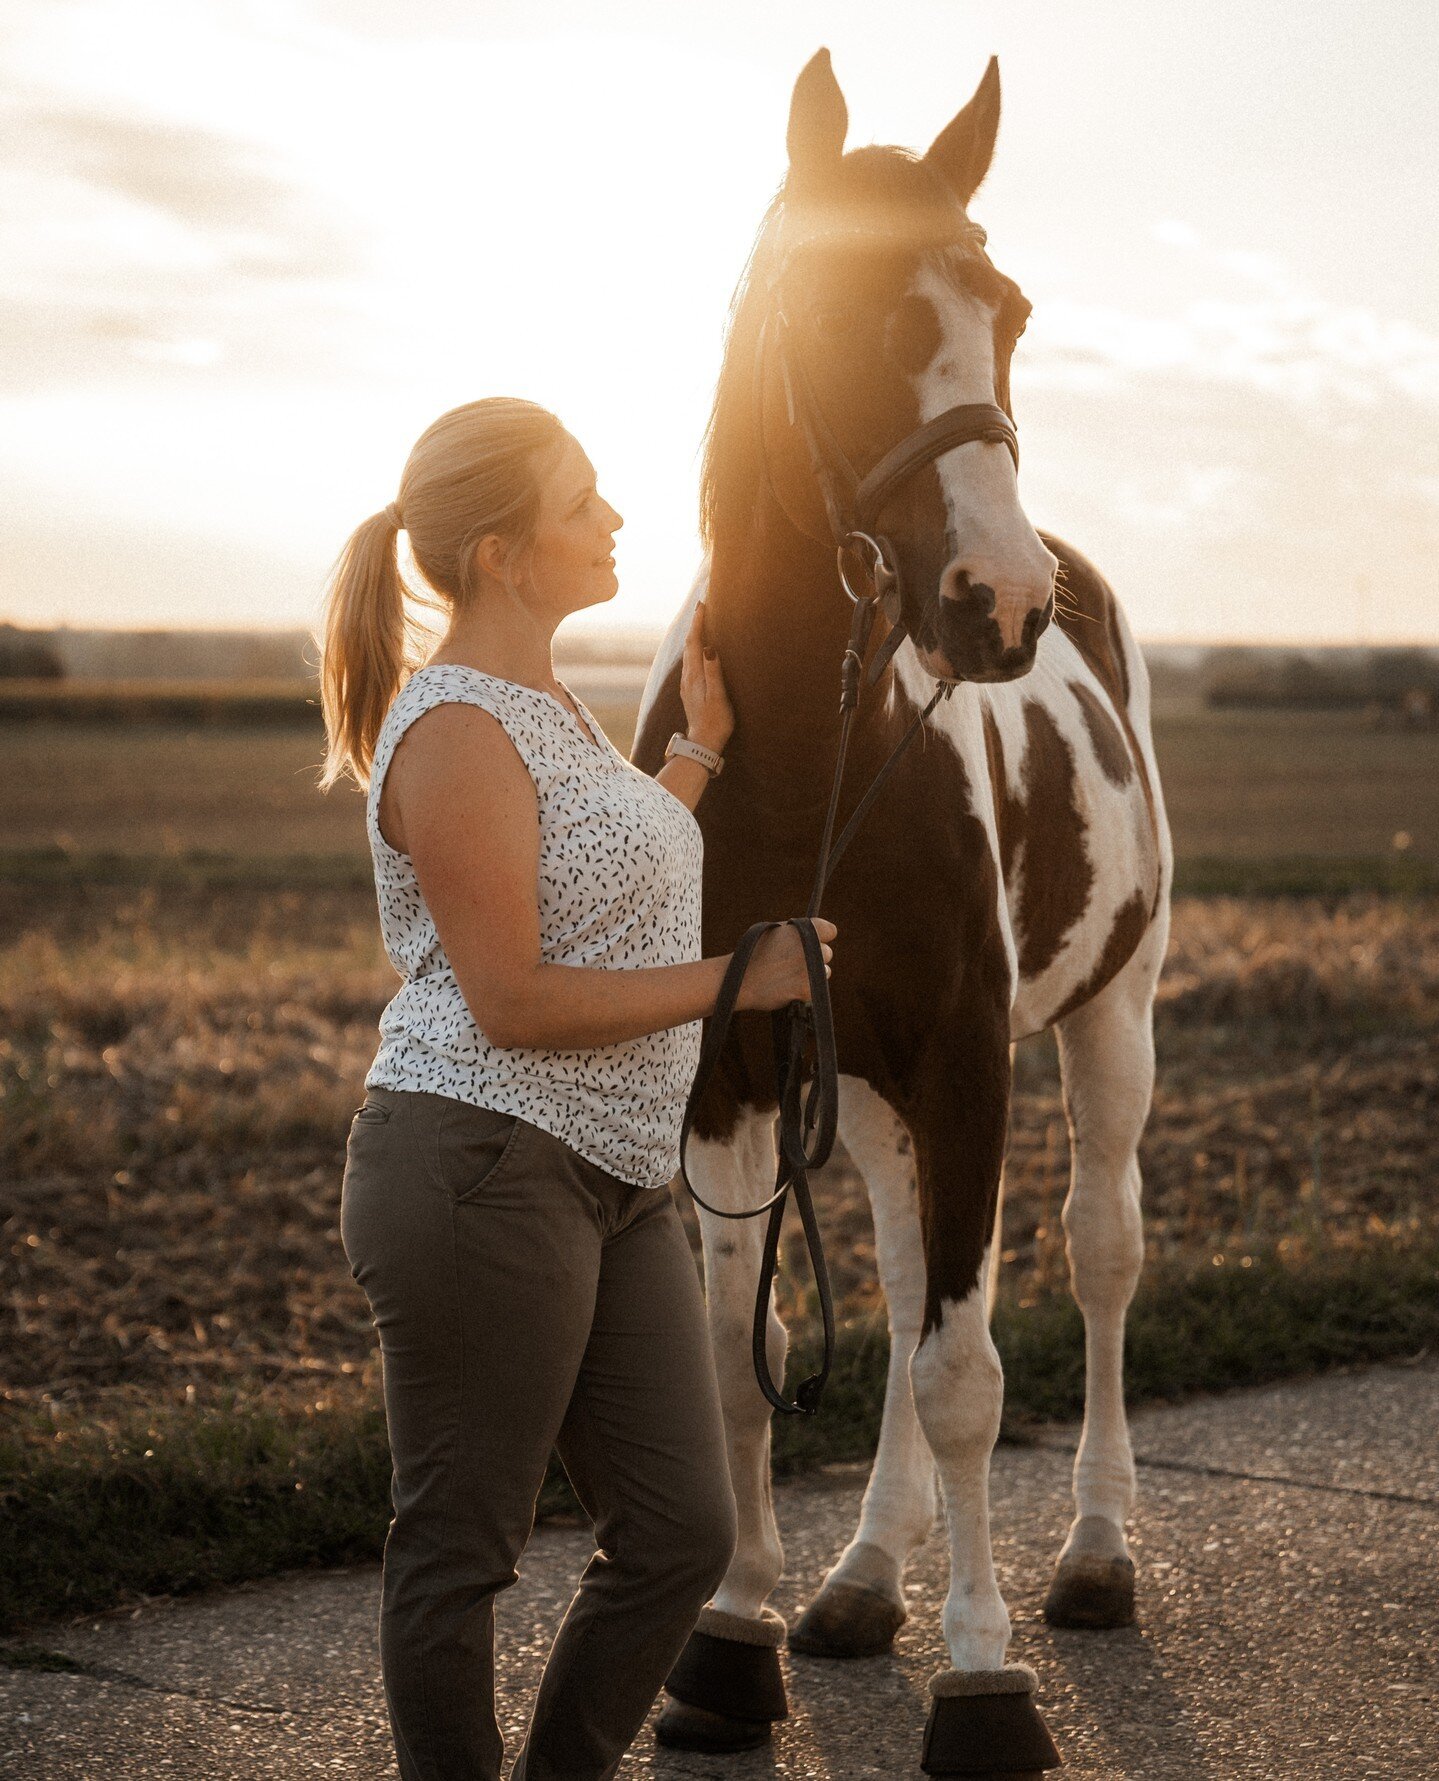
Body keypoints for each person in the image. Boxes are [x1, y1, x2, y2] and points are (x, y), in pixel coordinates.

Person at [317, 395, 837, 1781]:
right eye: (581, 501)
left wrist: (699, 749)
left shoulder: (546, 704)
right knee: (461, 1547)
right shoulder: (454, 727)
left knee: (681, 1528)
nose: (614, 520)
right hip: (480, 1164)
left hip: (611, 1176)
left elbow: (609, 876)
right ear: (500, 553)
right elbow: (517, 995)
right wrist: (745, 975)